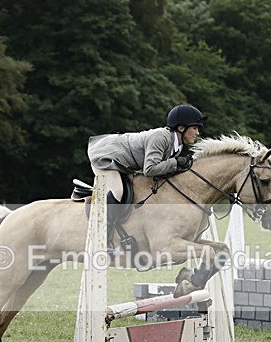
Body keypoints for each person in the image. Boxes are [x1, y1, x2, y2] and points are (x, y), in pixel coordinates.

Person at [87, 104, 205, 252]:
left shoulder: (178, 145)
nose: (197, 133)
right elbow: (150, 169)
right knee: (117, 190)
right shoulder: (161, 137)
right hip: (106, 155)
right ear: (181, 128)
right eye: (195, 128)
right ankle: (101, 240)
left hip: (126, 162)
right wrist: (176, 163)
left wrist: (178, 165)